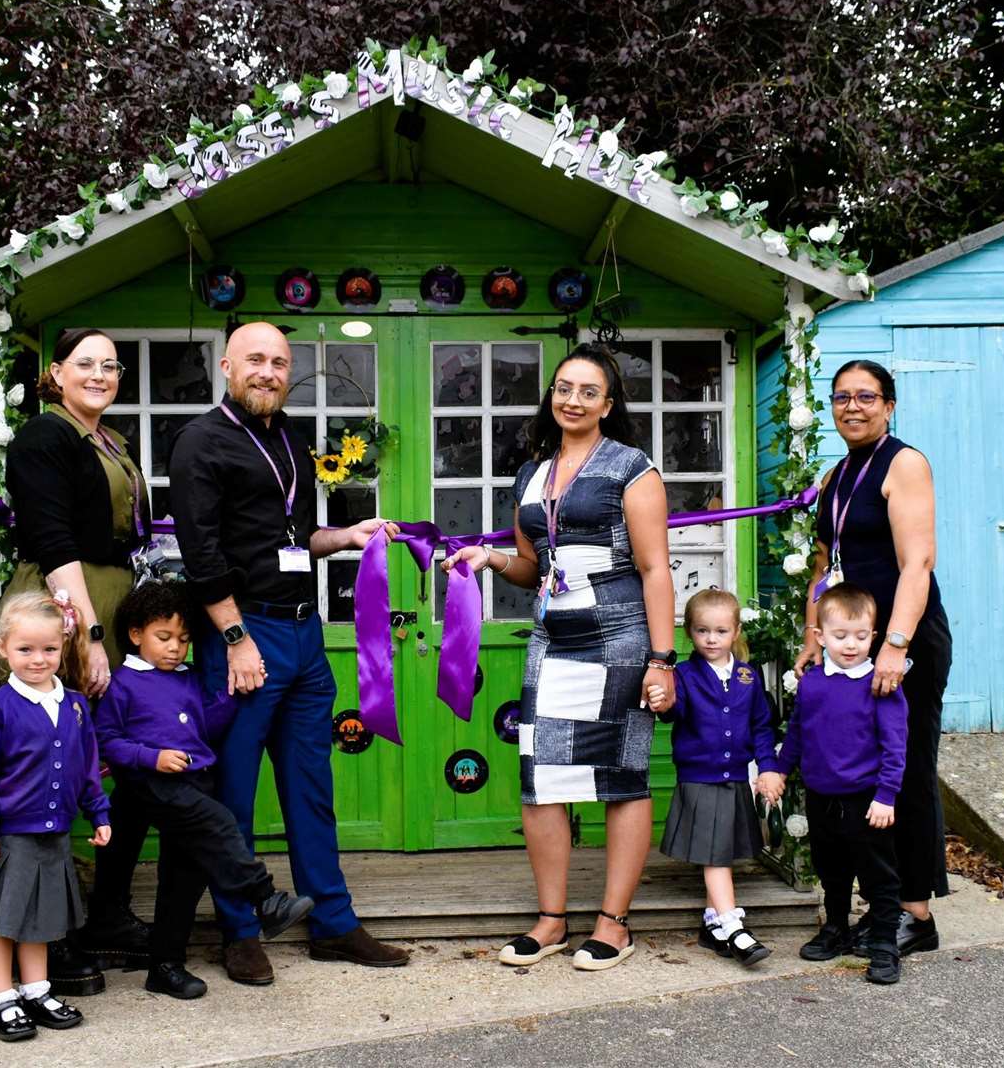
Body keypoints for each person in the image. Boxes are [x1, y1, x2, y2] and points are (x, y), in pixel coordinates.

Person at [169, 321, 408, 985]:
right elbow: (202, 554)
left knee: (311, 788)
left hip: (304, 636)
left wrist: (344, 535)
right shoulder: (199, 442)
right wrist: (236, 638)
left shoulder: (287, 436)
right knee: (235, 794)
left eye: (278, 362)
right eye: (255, 360)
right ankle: (241, 930)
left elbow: (294, 536)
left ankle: (333, 922)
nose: (268, 372)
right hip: (244, 635)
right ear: (226, 367)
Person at [444, 345, 676, 973]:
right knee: (540, 778)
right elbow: (531, 567)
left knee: (620, 777)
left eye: (588, 391)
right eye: (563, 388)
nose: (572, 400)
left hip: (620, 637)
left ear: (609, 403)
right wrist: (487, 560)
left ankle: (614, 923)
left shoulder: (633, 468)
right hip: (553, 640)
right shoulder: (533, 473)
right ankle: (551, 921)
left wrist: (662, 659)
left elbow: (655, 570)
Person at [4, 326, 153, 979]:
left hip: (113, 600)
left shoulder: (108, 440)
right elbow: (52, 536)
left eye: (110, 366)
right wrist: (86, 634)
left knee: (112, 764)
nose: (99, 374)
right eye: (84, 364)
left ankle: (106, 913)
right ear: (56, 373)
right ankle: (48, 932)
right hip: (64, 605)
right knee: (52, 769)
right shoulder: (45, 437)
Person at [793, 359, 950, 957]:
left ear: (889, 405)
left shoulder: (903, 464)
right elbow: (822, 566)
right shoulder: (838, 474)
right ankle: (879, 904)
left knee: (905, 769)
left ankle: (916, 913)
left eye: (866, 396)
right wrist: (814, 631)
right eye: (840, 398)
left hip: (903, 644)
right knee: (857, 771)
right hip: (850, 644)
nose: (851, 407)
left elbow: (918, 563)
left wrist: (896, 645)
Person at [95, 581, 316, 1000]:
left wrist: (233, 696)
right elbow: (106, 739)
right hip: (154, 783)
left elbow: (207, 726)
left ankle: (165, 966)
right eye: (163, 637)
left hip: (196, 781)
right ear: (136, 634)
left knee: (184, 876)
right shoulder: (123, 682)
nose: (175, 647)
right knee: (220, 822)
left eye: (183, 639)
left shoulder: (190, 678)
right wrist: (150, 757)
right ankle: (265, 897)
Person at [0, 590, 111, 1040]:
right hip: (9, 837)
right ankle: (2, 999)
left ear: (63, 647)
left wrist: (98, 813)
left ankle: (36, 991)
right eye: (25, 649)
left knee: (40, 919)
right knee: (4, 921)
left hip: (55, 833)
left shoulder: (77, 705)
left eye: (49, 649)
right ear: (3, 648)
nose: (38, 660)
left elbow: (86, 766)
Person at [765, 583, 908, 985]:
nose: (851, 645)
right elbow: (798, 732)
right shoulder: (812, 683)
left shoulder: (882, 686)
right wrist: (778, 768)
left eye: (861, 637)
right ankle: (837, 928)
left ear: (873, 637)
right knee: (832, 869)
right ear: (820, 636)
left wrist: (886, 795)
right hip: (821, 795)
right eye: (841, 636)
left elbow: (896, 747)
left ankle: (883, 942)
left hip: (866, 800)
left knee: (877, 873)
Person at [648, 589, 776, 966]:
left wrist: (767, 767)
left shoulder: (747, 677)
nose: (711, 639)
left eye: (720, 631)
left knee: (719, 850)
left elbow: (762, 726)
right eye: (702, 631)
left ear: (735, 632)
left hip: (735, 775)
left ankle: (712, 923)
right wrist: (664, 702)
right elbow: (674, 711)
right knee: (716, 857)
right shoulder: (684, 675)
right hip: (700, 777)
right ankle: (733, 925)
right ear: (690, 633)